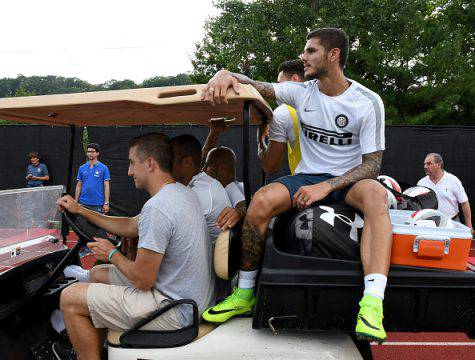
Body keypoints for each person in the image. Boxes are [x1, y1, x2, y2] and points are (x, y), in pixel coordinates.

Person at [200, 27, 391, 344]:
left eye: (311, 51)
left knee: (376, 194)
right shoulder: (300, 92)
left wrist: (328, 187)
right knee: (260, 201)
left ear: (333, 55)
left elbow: (372, 165)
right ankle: (244, 293)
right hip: (308, 176)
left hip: (349, 179)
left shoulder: (368, 102)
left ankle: (372, 304)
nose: (303, 56)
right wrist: (224, 73)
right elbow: (252, 84)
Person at [53, 133, 213, 360]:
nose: (129, 171)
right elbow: (129, 225)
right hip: (188, 299)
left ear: (149, 164)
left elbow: (143, 280)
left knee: (69, 297)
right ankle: (97, 346)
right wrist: (79, 209)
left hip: (173, 309)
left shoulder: (158, 207)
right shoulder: (181, 193)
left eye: (131, 163)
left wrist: (111, 253)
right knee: (97, 273)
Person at [170, 134, 232, 241]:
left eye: (169, 159)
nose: (164, 163)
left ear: (186, 162)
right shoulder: (200, 183)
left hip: (207, 257)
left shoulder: (201, 192)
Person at [258, 59, 305, 175]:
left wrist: (259, 140)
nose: (277, 89)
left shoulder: (284, 112)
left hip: (307, 186)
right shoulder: (333, 101)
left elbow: (270, 167)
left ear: (295, 80)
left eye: (279, 84)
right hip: (344, 184)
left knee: (263, 193)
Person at [417, 153, 472, 230]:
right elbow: (417, 205)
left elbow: (464, 203)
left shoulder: (453, 180)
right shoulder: (421, 183)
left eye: (429, 164)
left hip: (452, 223)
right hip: (429, 224)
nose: (425, 167)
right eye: (425, 164)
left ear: (438, 165)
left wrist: (469, 225)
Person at [203, 145, 246, 229]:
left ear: (221, 168)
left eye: (208, 165)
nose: (204, 169)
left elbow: (246, 206)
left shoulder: (230, 188)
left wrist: (239, 212)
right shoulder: (241, 185)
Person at [75, 143, 111, 214]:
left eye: (92, 152)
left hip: (97, 204)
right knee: (82, 224)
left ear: (97, 153)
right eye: (88, 152)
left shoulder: (104, 168)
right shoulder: (82, 168)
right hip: (83, 202)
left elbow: (106, 186)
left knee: (95, 225)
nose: (90, 154)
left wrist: (106, 203)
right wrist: (76, 202)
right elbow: (79, 185)